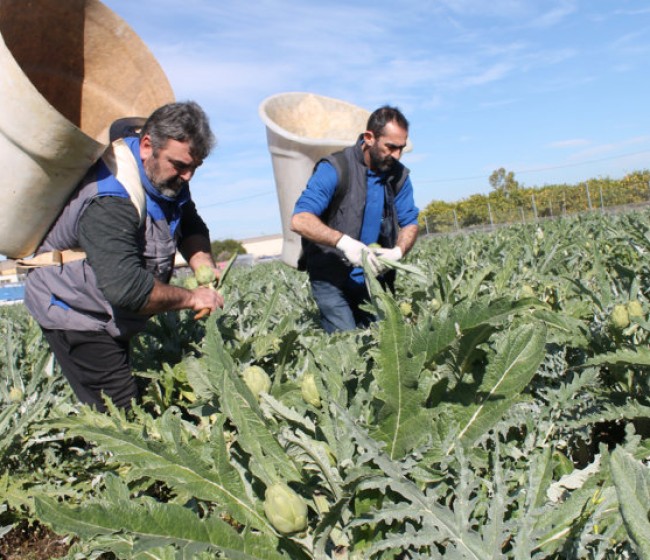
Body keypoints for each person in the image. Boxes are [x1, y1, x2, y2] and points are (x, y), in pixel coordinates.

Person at [24, 101, 224, 411]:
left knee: (117, 397)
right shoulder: (110, 199)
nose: (187, 177)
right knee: (120, 412)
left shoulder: (165, 174)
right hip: (75, 310)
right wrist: (193, 297)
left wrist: (201, 260)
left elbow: (189, 219)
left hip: (108, 307)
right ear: (147, 146)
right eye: (180, 165)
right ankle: (108, 456)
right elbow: (127, 289)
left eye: (195, 167)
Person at [291, 105, 419, 333]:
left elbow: (410, 223)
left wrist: (397, 252)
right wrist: (344, 243)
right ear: (369, 138)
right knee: (348, 347)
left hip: (374, 279)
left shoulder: (398, 176)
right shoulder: (336, 168)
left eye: (401, 148)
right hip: (330, 277)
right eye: (390, 147)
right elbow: (300, 219)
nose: (397, 155)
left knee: (384, 344)